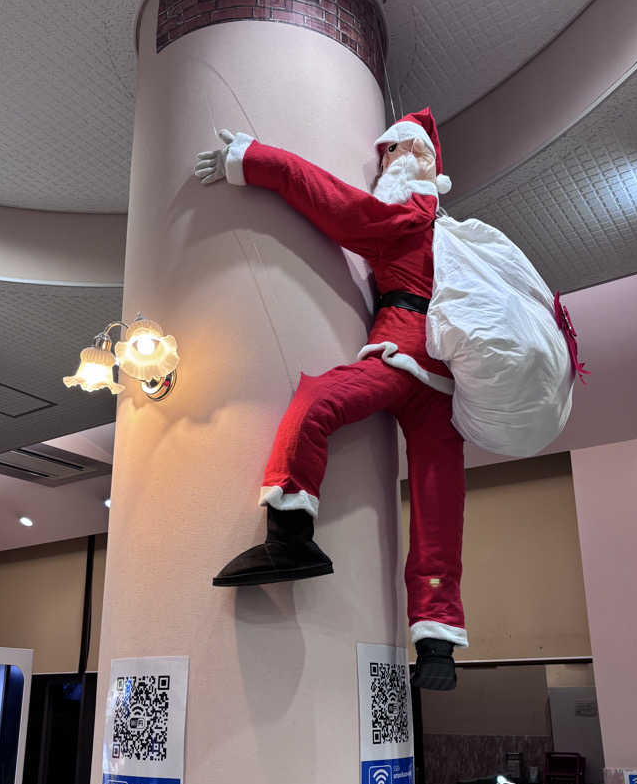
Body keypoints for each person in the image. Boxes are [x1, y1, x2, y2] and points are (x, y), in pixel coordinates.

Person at [194, 109, 465, 691]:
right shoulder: (445, 227)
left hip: (403, 352)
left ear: (418, 161)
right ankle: (438, 643)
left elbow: (340, 208)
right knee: (439, 507)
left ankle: (288, 538)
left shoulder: (408, 211)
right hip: (446, 377)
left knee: (317, 402)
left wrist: (259, 159)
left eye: (393, 153)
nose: (384, 163)